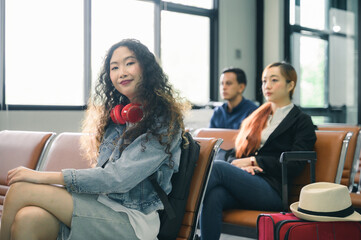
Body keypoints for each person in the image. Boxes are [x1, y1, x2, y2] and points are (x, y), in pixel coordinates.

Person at [0, 39, 189, 240]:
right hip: (103, 206)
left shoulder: (164, 122)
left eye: (129, 63)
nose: (122, 72)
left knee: (21, 189)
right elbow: (103, 172)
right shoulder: (118, 119)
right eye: (114, 67)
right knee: (29, 219)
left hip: (134, 220)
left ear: (146, 68)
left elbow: (117, 178)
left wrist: (41, 176)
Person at [200, 62, 317, 240]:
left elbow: (296, 163)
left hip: (273, 189)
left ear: (290, 85)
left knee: (216, 167)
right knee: (215, 196)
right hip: (248, 181)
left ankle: (175, 220)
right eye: (263, 81)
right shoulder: (257, 116)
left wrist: (255, 162)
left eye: (274, 80)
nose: (267, 86)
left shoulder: (302, 121)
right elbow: (237, 150)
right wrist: (239, 166)